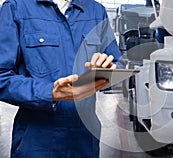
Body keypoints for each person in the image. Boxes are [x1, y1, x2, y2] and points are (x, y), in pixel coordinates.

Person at [0, 0, 123, 157]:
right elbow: (2, 76)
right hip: (36, 141)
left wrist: (106, 70)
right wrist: (50, 93)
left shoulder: (96, 11)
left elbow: (117, 64)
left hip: (85, 140)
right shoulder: (17, 7)